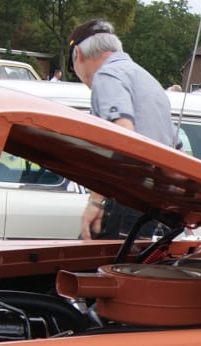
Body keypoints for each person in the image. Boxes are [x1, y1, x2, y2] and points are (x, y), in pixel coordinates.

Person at [67, 18, 179, 240]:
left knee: (90, 269)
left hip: (125, 199)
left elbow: (123, 135)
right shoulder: (147, 79)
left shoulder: (106, 76)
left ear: (78, 54)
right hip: (158, 202)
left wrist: (95, 200)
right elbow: (177, 150)